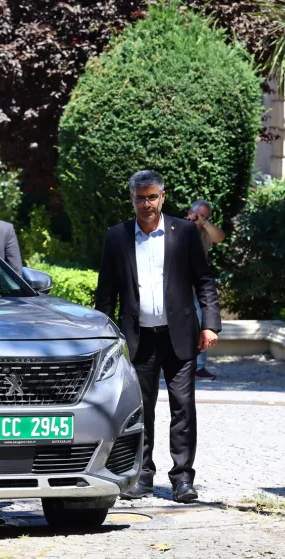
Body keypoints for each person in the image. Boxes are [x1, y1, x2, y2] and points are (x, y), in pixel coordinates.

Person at [94, 170, 221, 503]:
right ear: (132, 199)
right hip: (138, 339)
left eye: (152, 197)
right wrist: (107, 337)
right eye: (140, 197)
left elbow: (204, 281)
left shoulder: (185, 233)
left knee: (183, 408)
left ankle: (182, 479)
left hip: (179, 336)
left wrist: (210, 324)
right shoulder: (117, 236)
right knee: (141, 410)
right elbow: (105, 293)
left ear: (162, 197)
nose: (146, 204)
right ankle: (142, 476)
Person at [186, 200, 225, 379]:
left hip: (198, 287)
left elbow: (220, 237)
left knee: (204, 324)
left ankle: (199, 366)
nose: (200, 219)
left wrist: (204, 223)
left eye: (205, 216)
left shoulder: (206, 232)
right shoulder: (179, 227)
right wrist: (190, 223)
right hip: (178, 286)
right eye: (198, 215)